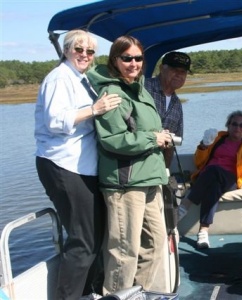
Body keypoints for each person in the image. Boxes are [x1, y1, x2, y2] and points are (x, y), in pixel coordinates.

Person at [34, 29, 122, 299]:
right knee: (82, 241)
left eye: (90, 51)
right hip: (63, 164)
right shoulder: (60, 78)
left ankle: (86, 292)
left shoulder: (81, 78)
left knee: (93, 237)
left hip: (82, 167)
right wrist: (96, 109)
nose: (84, 55)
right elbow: (55, 121)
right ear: (66, 50)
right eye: (78, 49)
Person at [87, 35, 172, 295]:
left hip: (148, 178)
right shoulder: (112, 93)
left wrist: (160, 135)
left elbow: (143, 128)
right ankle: (116, 295)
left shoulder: (137, 88)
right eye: (127, 58)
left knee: (156, 244)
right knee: (124, 252)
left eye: (138, 58)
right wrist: (152, 138)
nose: (133, 63)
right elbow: (113, 139)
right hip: (125, 184)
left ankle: (138, 294)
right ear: (115, 60)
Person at [177, 110, 242, 248]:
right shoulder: (217, 138)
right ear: (228, 125)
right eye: (234, 124)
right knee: (213, 184)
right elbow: (198, 162)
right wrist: (203, 146)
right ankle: (203, 231)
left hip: (232, 180)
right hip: (209, 176)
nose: (237, 128)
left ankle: (184, 206)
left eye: (241, 126)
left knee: (214, 172)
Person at [144, 51, 191, 167]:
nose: (179, 75)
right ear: (161, 68)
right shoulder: (143, 89)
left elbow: (172, 144)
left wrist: (166, 172)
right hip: (133, 168)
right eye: (174, 69)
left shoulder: (177, 104)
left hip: (157, 171)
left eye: (183, 72)